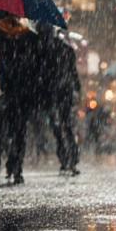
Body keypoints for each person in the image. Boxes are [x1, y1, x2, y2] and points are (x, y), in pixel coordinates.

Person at [0, 12, 41, 184]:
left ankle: (1, 163)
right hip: (20, 93)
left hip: (9, 92)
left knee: (1, 129)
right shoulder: (27, 36)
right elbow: (35, 67)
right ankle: (15, 166)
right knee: (18, 132)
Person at [36, 22, 81, 176]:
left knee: (57, 125)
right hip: (64, 92)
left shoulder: (44, 50)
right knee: (66, 124)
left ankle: (65, 156)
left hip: (52, 92)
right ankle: (72, 157)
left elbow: (42, 73)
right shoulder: (67, 50)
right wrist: (76, 88)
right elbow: (73, 73)